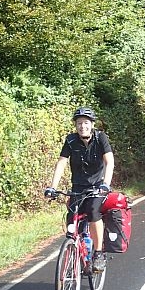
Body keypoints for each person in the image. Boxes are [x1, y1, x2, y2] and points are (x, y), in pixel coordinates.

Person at [45, 108, 114, 272]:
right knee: (71, 219)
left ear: (92, 124)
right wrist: (53, 187)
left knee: (93, 211)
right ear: (75, 126)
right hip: (78, 187)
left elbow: (109, 162)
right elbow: (61, 162)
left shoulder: (100, 138)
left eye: (85, 123)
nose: (82, 126)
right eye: (79, 123)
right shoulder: (71, 140)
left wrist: (106, 184)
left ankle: (98, 253)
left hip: (97, 187)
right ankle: (74, 248)